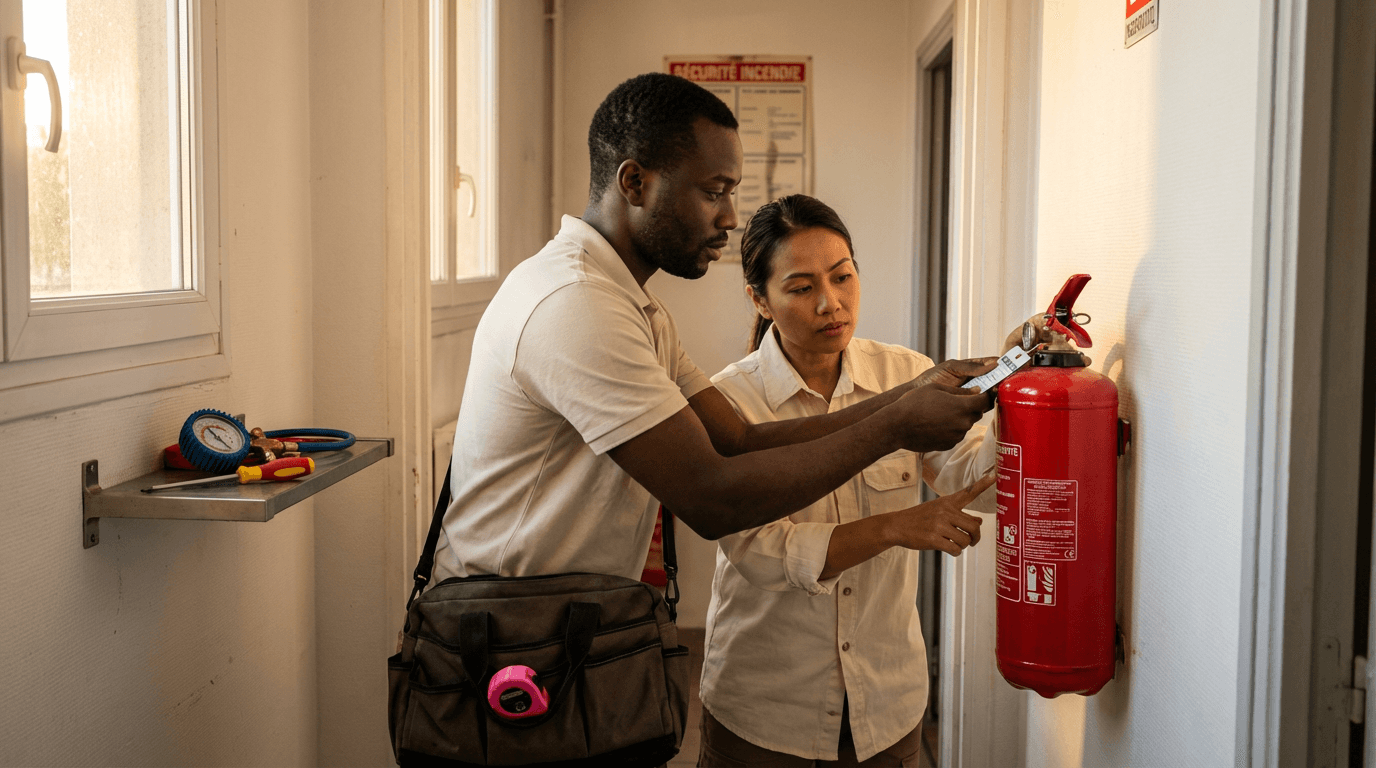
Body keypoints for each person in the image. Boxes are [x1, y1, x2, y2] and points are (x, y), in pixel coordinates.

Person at [431, 73, 996, 593]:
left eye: (731, 192)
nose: (729, 216)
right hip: (508, 625)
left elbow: (738, 441)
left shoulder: (634, 306)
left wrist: (912, 391)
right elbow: (711, 497)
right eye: (713, 191)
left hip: (562, 619)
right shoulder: (576, 305)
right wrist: (895, 425)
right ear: (635, 182)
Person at [697, 195, 1015, 767]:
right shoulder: (729, 403)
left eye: (843, 276)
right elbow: (762, 554)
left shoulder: (903, 374)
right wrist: (896, 527)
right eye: (800, 288)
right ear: (759, 300)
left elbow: (981, 484)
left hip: (887, 701)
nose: (831, 303)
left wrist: (1012, 397)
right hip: (768, 710)